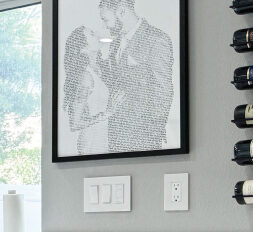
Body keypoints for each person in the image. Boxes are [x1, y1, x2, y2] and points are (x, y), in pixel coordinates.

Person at [97, 0, 175, 153]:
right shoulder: (115, 43)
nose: (105, 26)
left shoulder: (156, 39)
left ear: (122, 11)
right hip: (116, 135)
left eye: (106, 20)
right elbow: (118, 83)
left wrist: (151, 131)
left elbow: (163, 91)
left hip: (143, 137)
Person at [62, 26, 111, 155]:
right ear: (83, 48)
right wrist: (104, 115)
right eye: (92, 34)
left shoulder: (99, 70)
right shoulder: (86, 77)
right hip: (92, 144)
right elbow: (75, 123)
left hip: (102, 140)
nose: (98, 34)